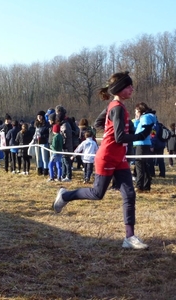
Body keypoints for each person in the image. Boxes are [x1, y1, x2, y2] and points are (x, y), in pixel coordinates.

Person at [52, 71, 153, 250]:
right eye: (129, 86)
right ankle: (65, 195)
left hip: (119, 157)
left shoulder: (115, 106)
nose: (132, 89)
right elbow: (120, 136)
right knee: (98, 194)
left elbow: (100, 123)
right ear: (120, 89)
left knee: (129, 194)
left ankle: (129, 237)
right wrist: (141, 134)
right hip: (106, 157)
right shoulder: (116, 108)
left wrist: (112, 130)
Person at [133, 102, 156, 192]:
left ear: (139, 110)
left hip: (142, 143)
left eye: (136, 110)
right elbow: (136, 129)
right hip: (143, 144)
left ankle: (139, 186)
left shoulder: (146, 118)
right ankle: (146, 185)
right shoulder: (145, 117)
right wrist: (137, 120)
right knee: (144, 165)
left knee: (139, 165)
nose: (135, 112)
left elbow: (143, 132)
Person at [33, 111, 50, 176]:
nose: (39, 117)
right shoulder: (36, 124)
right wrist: (34, 138)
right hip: (37, 143)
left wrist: (42, 136)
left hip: (44, 143)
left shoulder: (46, 124)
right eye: (38, 116)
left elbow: (48, 134)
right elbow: (35, 133)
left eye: (40, 116)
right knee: (38, 158)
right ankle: (39, 171)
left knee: (44, 158)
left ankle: (45, 171)